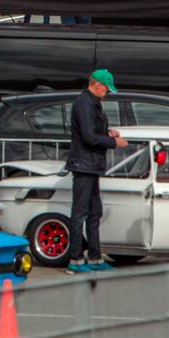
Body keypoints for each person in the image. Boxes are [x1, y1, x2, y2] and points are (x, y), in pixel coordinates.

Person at [65, 70, 127, 274]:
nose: (107, 93)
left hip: (90, 165)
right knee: (80, 213)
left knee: (94, 212)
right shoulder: (84, 103)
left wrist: (109, 132)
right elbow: (88, 137)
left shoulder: (92, 102)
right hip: (83, 165)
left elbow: (93, 131)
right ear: (98, 85)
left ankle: (95, 257)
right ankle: (75, 260)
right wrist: (113, 142)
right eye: (107, 89)